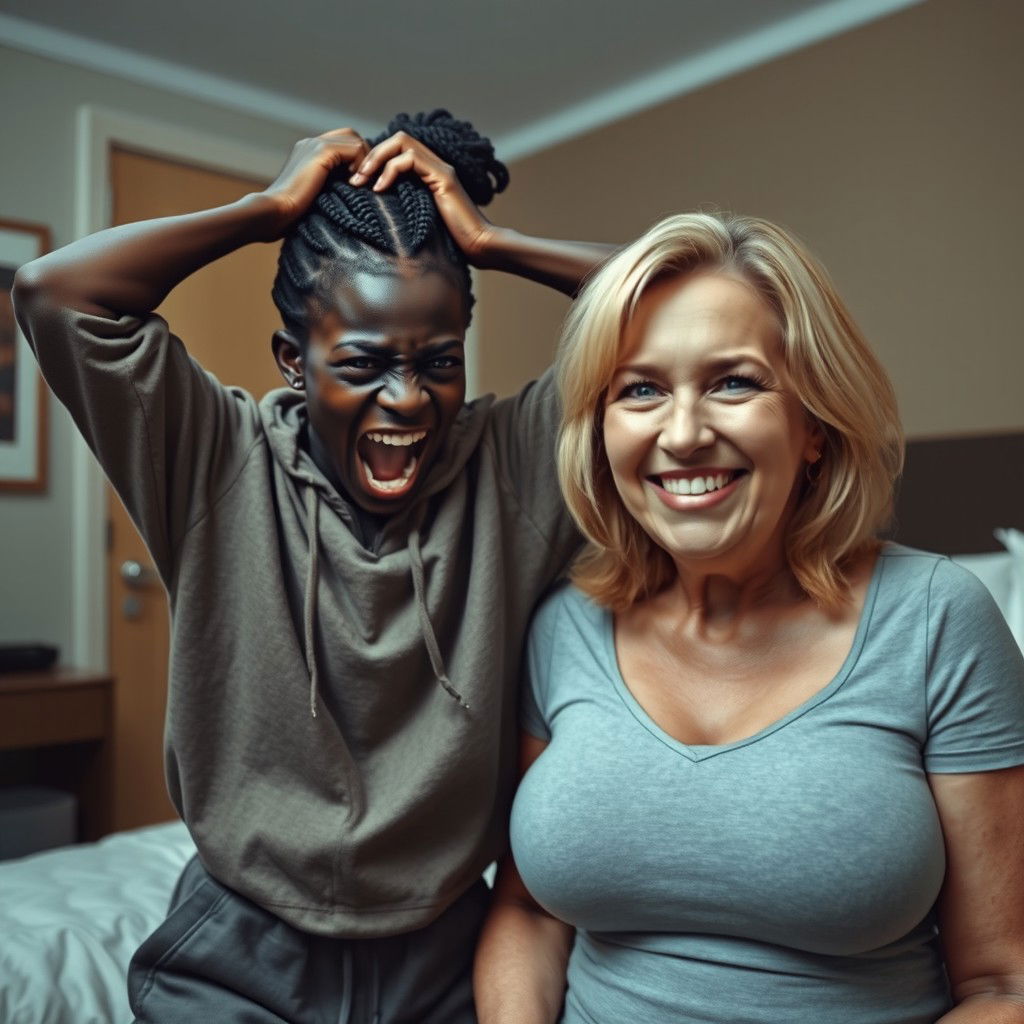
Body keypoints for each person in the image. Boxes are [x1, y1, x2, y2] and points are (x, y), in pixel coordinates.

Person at [13, 110, 614, 1022]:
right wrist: (262, 211)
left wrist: (492, 244)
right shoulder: (216, 458)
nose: (407, 399)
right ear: (294, 361)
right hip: (239, 950)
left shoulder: (514, 468)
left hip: (447, 951)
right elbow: (54, 294)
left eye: (439, 362)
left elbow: (696, 302)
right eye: (364, 363)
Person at [474, 212, 1024, 1024]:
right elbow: (528, 911)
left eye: (733, 382)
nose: (684, 434)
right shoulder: (566, 625)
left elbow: (1004, 982)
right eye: (640, 389)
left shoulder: (938, 618)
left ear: (814, 426)